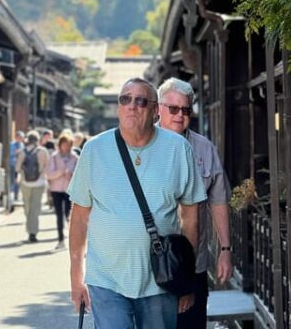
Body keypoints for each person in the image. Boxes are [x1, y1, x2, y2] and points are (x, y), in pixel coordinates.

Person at [68, 77, 206, 329]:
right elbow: (79, 215)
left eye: (141, 101)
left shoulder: (178, 149)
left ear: (155, 111)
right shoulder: (94, 149)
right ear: (119, 107)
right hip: (105, 278)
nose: (132, 105)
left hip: (160, 279)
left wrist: (186, 280)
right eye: (125, 99)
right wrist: (75, 276)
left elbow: (191, 217)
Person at [157, 78, 232, 329]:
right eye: (173, 109)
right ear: (158, 108)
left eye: (186, 110)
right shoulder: (141, 145)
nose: (180, 115)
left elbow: (219, 200)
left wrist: (225, 250)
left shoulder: (204, 148)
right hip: (148, 265)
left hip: (193, 264)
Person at [15, 130, 49, 242]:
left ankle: (30, 229)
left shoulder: (22, 152)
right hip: (39, 183)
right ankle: (33, 233)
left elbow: (17, 168)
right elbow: (47, 166)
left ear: (27, 139)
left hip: (25, 183)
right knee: (36, 208)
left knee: (28, 207)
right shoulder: (43, 151)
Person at [46, 130, 78, 249]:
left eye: (68, 144)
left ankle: (72, 239)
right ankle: (60, 239)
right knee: (59, 215)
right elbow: (49, 174)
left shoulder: (75, 157)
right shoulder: (54, 157)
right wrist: (61, 172)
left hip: (70, 189)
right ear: (59, 144)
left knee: (69, 215)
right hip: (56, 189)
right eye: (64, 144)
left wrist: (71, 174)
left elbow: (80, 174)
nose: (66, 146)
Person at [9, 130, 25, 207]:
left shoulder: (22, 145)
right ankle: (11, 196)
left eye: (22, 137)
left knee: (18, 181)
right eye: (19, 137)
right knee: (12, 180)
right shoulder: (11, 145)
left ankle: (16, 196)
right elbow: (10, 154)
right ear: (16, 137)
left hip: (20, 166)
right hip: (12, 165)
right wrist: (16, 152)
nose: (21, 139)